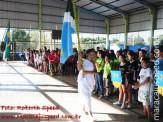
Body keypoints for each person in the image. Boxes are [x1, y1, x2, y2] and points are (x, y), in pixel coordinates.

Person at [77, 49, 97, 120]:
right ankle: (90, 114)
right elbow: (79, 68)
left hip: (90, 81)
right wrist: (79, 58)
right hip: (83, 81)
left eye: (93, 54)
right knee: (87, 96)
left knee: (87, 95)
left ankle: (84, 107)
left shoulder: (94, 62)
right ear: (87, 54)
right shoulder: (82, 60)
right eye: (91, 54)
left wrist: (87, 72)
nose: (92, 56)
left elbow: (95, 72)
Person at [134, 57, 152, 122]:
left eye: (143, 62)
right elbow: (140, 78)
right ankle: (145, 114)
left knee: (146, 102)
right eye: (141, 62)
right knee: (143, 101)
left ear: (147, 63)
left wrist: (138, 85)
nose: (142, 63)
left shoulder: (148, 70)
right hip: (141, 88)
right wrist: (137, 84)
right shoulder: (141, 69)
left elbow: (147, 80)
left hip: (146, 89)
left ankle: (149, 116)